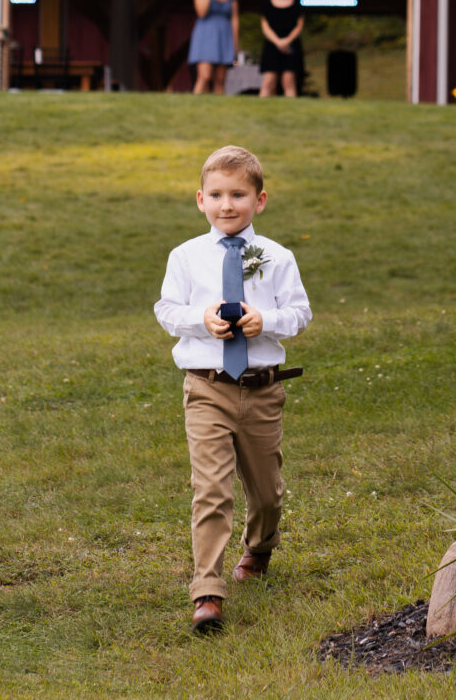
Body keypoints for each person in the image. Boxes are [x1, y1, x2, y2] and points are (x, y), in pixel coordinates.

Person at [154, 145, 312, 633]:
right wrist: (201, 321)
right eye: (217, 195)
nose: (227, 205)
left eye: (238, 195)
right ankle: (207, 592)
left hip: (262, 391)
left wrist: (267, 320)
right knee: (211, 490)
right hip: (206, 389)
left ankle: (260, 547)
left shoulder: (278, 258)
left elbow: (300, 314)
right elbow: (166, 310)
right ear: (200, 199)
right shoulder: (186, 257)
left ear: (259, 200)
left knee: (266, 493)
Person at [188, 0, 239, 94]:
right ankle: (194, 108)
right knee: (205, 76)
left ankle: (218, 111)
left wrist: (235, 42)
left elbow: (234, 19)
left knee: (220, 79)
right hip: (206, 35)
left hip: (224, 35)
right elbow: (201, 12)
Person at [259, 0, 304, 97]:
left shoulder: (296, 4)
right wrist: (278, 42)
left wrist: (287, 41)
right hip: (272, 45)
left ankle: (292, 113)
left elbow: (299, 26)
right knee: (268, 80)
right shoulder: (267, 4)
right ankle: (260, 110)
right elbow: (265, 27)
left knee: (289, 80)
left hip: (291, 46)